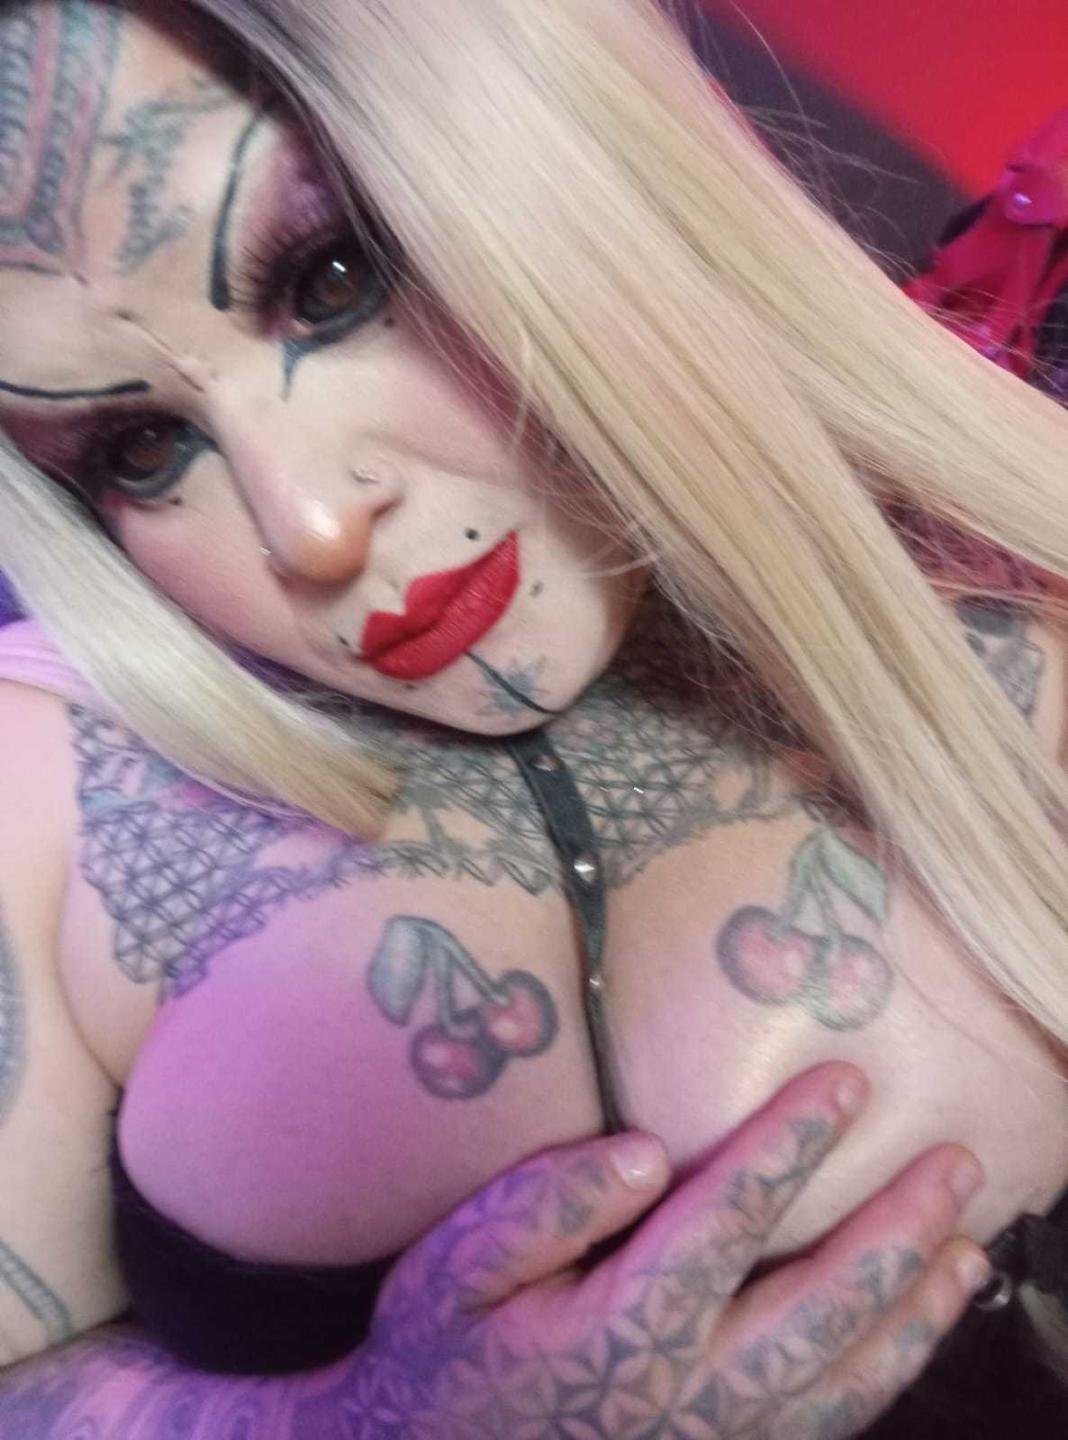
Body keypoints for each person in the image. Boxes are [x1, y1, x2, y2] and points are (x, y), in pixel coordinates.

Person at [2, 0, 1068, 1434]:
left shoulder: (1017, 596)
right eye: (138, 447)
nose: (310, 525)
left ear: (544, 159)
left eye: (332, 278)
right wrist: (354, 1422)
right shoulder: (45, 786)